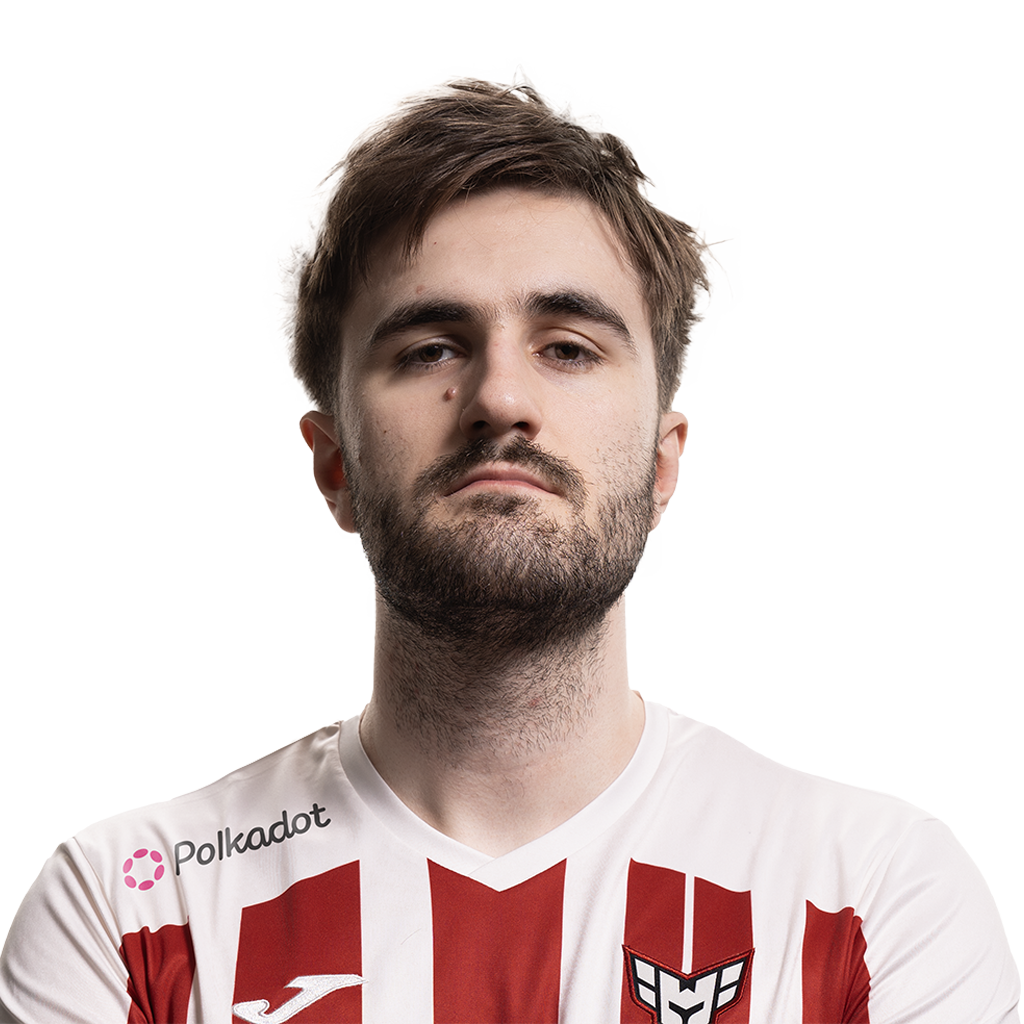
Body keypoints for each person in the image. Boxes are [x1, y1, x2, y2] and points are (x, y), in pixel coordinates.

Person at [0, 68, 1018, 1024]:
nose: (499, 397)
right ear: (334, 465)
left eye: (567, 347)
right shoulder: (133, 907)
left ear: (663, 461)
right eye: (430, 348)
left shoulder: (873, 899)